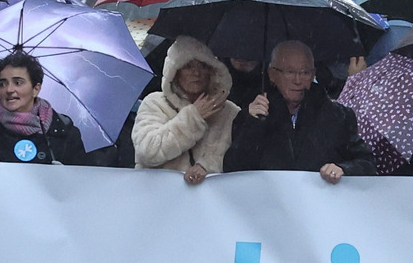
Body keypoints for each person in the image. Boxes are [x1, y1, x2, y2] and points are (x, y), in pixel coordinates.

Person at [227, 39, 358, 181]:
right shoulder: (252, 114)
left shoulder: (339, 116)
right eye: (289, 72)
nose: (298, 80)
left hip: (320, 200)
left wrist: (343, 169)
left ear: (314, 74)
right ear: (272, 74)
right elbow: (232, 169)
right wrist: (251, 125)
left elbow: (366, 163)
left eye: (305, 72)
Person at [132, 35, 237, 184]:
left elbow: (237, 160)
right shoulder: (154, 103)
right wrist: (193, 118)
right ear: (174, 72)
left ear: (212, 70)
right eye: (188, 66)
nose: (196, 73)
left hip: (210, 204)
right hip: (159, 199)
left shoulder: (229, 111)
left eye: (203, 65)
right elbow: (148, 151)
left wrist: (207, 166)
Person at [0, 50, 89, 166]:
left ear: (36, 89)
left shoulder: (62, 129)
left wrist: (68, 176)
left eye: (18, 82)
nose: (9, 90)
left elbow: (83, 184)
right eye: (2, 84)